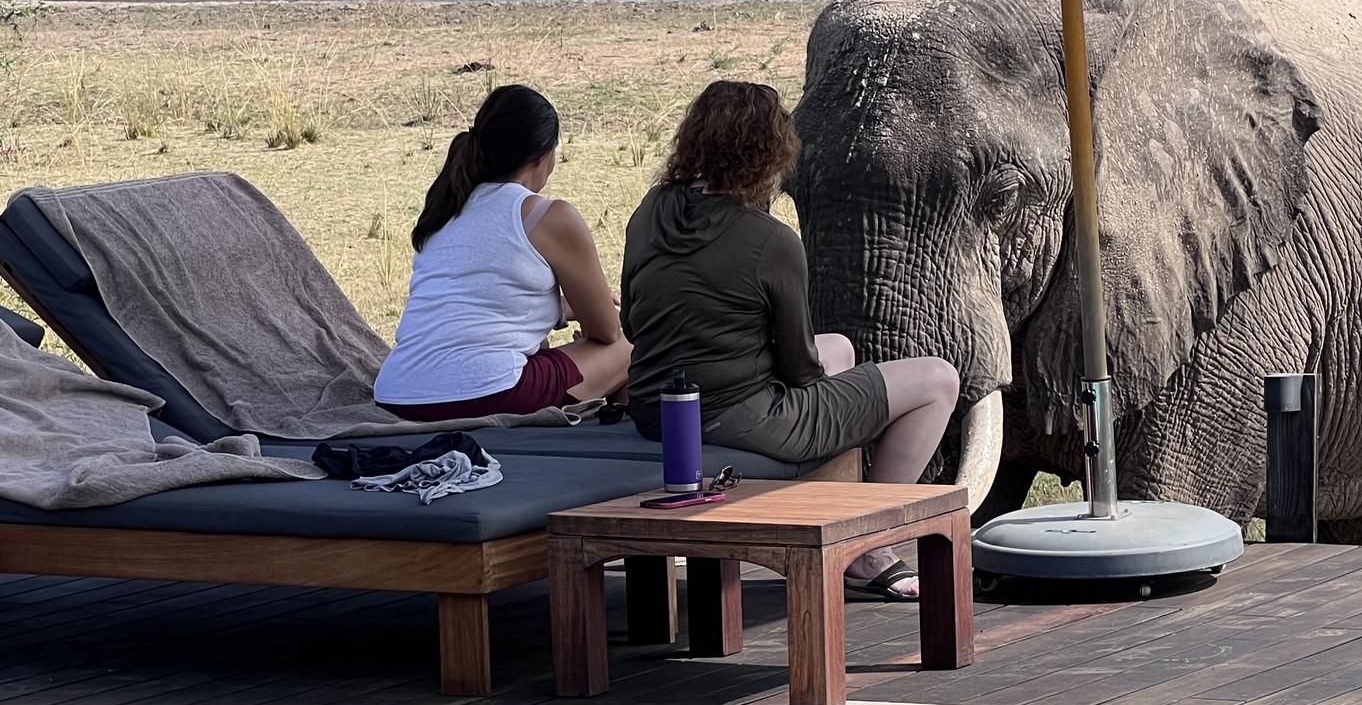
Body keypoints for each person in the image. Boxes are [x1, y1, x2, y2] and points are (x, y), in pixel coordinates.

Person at [622, 80, 960, 602]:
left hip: (656, 409)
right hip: (740, 418)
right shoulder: (771, 241)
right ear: (771, 153)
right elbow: (801, 370)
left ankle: (843, 521)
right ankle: (872, 542)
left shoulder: (651, 211)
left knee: (842, 349)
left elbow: (633, 326)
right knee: (937, 380)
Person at [376, 83, 631, 419]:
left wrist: (558, 311)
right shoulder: (549, 216)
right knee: (631, 347)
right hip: (489, 392)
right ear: (544, 155)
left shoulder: (446, 210)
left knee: (545, 352)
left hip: (397, 393)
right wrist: (587, 319)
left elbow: (480, 304)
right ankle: (619, 436)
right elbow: (606, 331)